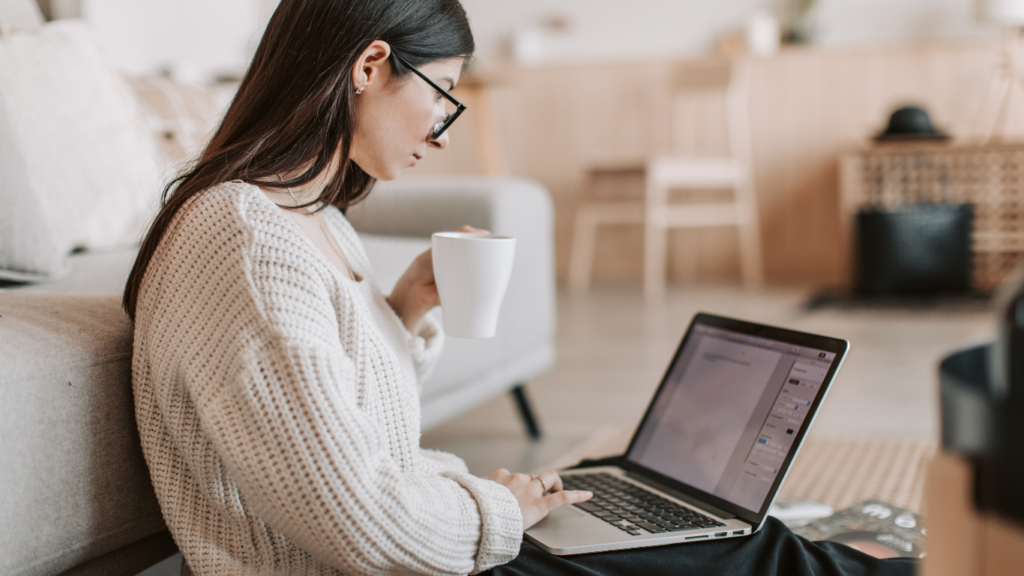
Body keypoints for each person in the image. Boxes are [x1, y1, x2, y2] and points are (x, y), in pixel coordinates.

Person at [123, 1, 915, 574]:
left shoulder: (310, 220)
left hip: (416, 548)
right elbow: (358, 521)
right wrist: (500, 511)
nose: (442, 127)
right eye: (442, 94)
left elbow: (351, 441)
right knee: (757, 550)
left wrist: (399, 316)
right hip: (386, 563)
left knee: (713, 534)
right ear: (370, 65)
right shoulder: (244, 237)